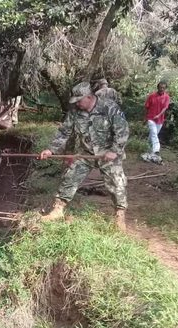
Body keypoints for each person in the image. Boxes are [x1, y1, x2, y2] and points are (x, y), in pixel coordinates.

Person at [39, 82, 130, 231]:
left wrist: (115, 150)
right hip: (86, 153)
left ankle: (119, 217)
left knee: (117, 184)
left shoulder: (109, 107)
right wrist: (51, 150)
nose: (77, 104)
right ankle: (57, 210)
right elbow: (64, 132)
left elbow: (123, 131)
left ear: (89, 97)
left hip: (108, 154)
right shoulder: (75, 111)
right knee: (70, 177)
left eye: (79, 100)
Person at [142, 81, 170, 164]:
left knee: (152, 136)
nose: (162, 89)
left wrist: (159, 115)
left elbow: (165, 108)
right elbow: (146, 107)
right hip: (150, 118)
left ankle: (148, 151)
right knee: (154, 134)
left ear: (165, 89)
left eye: (163, 88)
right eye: (160, 87)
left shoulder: (166, 97)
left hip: (160, 120)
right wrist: (144, 118)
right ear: (157, 87)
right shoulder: (151, 96)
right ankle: (156, 150)